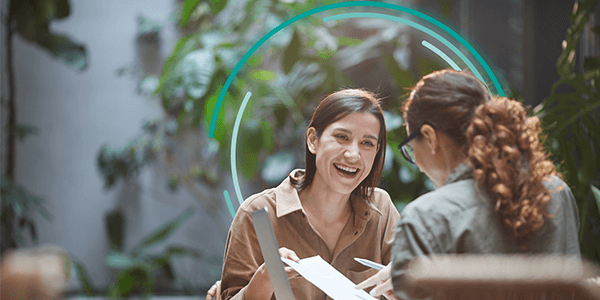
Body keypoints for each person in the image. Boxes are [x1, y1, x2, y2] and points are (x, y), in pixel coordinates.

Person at [355, 69, 581, 299]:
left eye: (412, 149)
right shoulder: (555, 193)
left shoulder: (425, 218)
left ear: (430, 137)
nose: (419, 165)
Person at [209, 89, 401, 300]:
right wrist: (265, 279)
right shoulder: (258, 214)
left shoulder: (382, 209)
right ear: (313, 140)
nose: (353, 155)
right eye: (342, 137)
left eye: (367, 143)